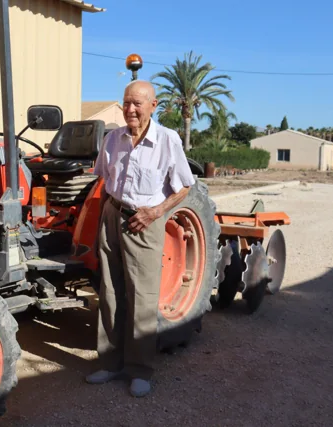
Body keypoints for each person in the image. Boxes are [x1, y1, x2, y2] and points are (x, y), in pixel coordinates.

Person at [85, 80, 195, 397]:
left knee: (142, 298)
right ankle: (109, 363)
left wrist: (155, 211)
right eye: (126, 103)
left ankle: (140, 369)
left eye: (137, 103)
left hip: (144, 221)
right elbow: (101, 178)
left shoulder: (167, 140)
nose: (130, 109)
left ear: (153, 106)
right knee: (110, 292)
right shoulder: (112, 139)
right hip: (112, 214)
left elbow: (184, 186)